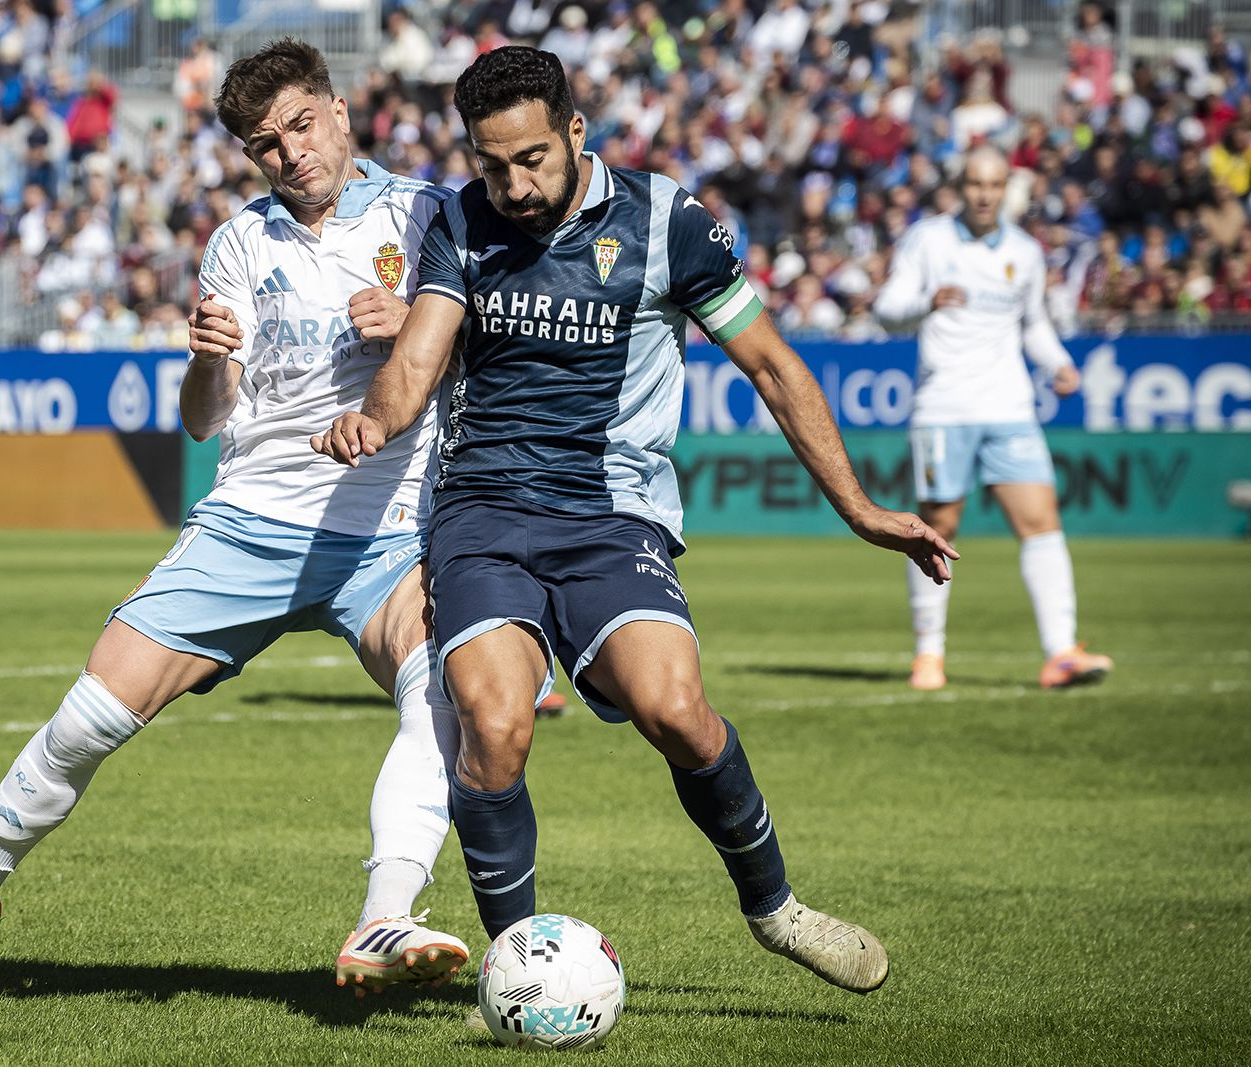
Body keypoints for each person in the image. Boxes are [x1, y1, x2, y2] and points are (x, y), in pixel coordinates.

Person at [314, 47, 958, 996]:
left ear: (576, 132)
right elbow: (418, 357)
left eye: (531, 158)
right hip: (482, 513)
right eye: (493, 164)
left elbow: (774, 367)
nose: (514, 184)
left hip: (612, 516)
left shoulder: (667, 221)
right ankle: (518, 963)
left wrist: (859, 510)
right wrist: (376, 414)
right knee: (492, 725)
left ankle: (776, 910)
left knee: (678, 713)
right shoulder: (460, 217)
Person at [0, 39, 471, 1010]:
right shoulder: (239, 242)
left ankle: (384, 912)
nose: (290, 154)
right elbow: (203, 417)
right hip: (251, 519)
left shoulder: (428, 213)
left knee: (443, 684)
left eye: (301, 126)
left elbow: (485, 346)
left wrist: (414, 323)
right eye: (265, 144)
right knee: (85, 722)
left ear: (341, 112)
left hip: (388, 526)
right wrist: (204, 358)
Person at [872, 145, 1114, 691]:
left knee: (1042, 522)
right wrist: (927, 302)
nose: (984, 194)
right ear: (961, 186)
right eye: (975, 184)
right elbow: (887, 310)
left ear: (1007, 189)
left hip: (1009, 408)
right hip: (943, 409)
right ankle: (928, 655)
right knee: (939, 530)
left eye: (994, 185)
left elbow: (1034, 325)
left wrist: (1059, 363)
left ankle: (1061, 653)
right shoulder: (928, 239)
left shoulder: (1026, 252)